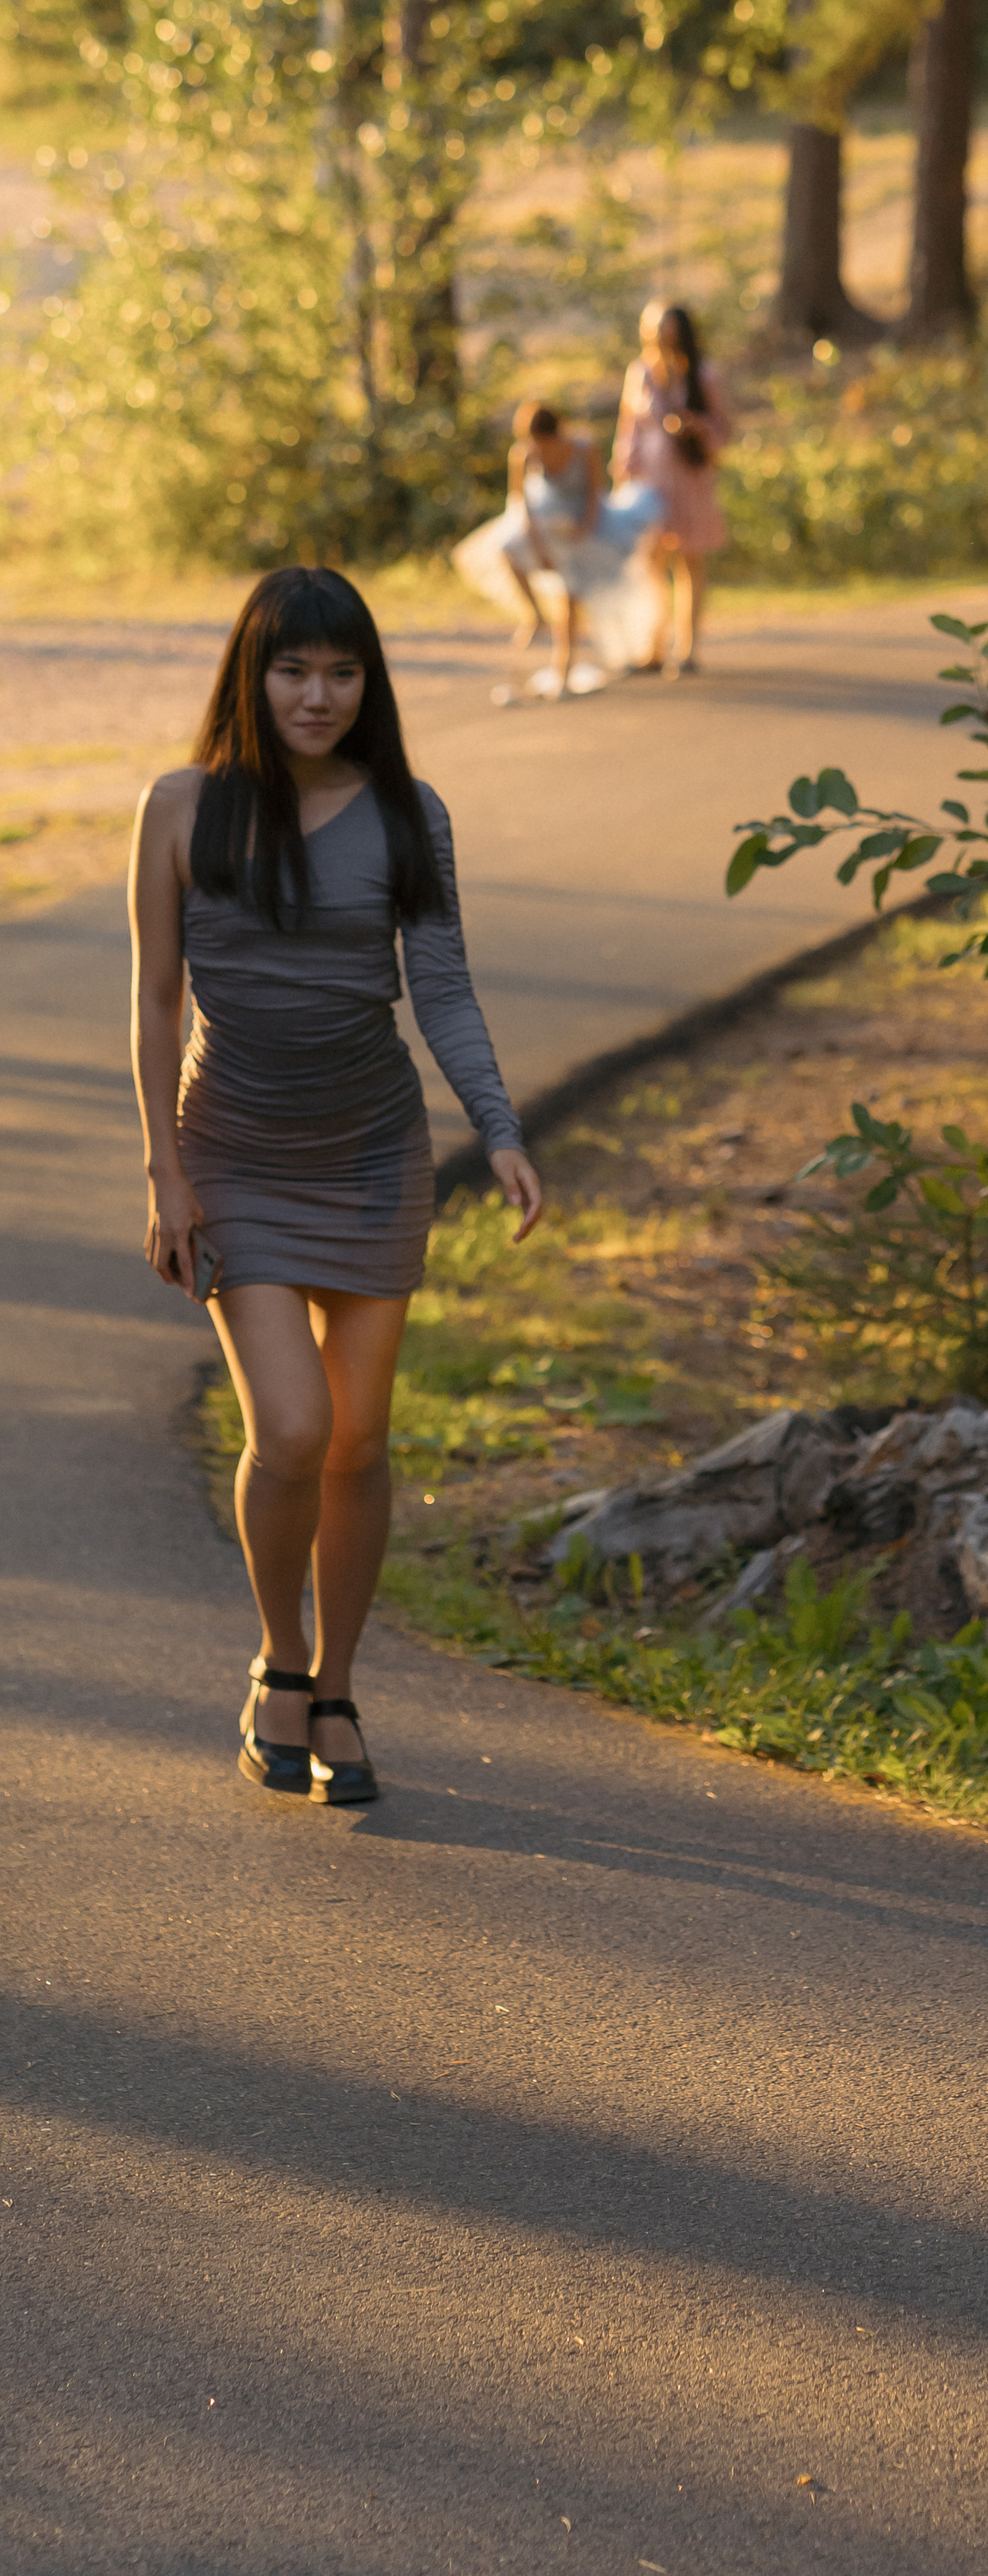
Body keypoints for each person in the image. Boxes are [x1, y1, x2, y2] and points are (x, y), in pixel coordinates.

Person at [127, 567, 543, 1805]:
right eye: (294, 669)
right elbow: (154, 1001)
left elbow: (446, 990)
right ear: (251, 676)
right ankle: (280, 1662)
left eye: (343, 672)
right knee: (294, 1430)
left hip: (371, 1156)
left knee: (362, 1441)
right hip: (236, 1157)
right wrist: (166, 1171)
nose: (319, 695)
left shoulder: (410, 814)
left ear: (371, 683)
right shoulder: (181, 807)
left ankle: (341, 1690)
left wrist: (502, 1128)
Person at [453, 399, 661, 697]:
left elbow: (594, 494)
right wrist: (539, 548)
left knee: (572, 594)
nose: (538, 448)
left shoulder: (584, 447)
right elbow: (519, 506)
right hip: (545, 523)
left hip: (586, 523)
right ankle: (535, 615)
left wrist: (584, 532)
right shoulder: (523, 454)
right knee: (507, 549)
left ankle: (564, 668)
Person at [611, 300, 732, 675]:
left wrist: (697, 427)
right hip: (651, 481)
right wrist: (623, 472)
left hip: (690, 479)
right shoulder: (641, 373)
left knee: (689, 559)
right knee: (650, 563)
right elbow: (629, 429)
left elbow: (726, 430)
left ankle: (688, 648)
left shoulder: (704, 374)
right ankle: (653, 646)